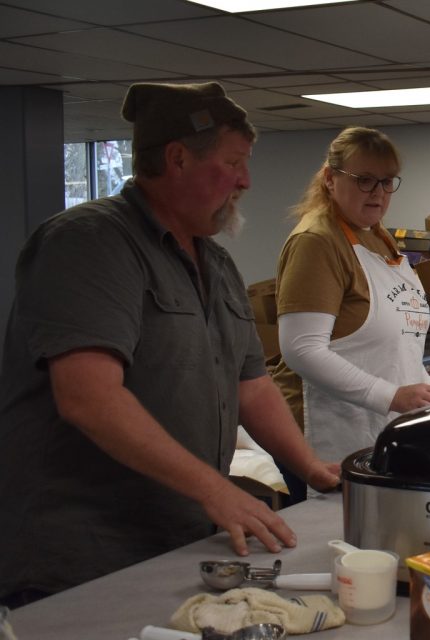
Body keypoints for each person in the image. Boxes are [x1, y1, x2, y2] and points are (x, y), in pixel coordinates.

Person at [0, 82, 340, 607]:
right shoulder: (90, 243)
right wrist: (214, 488)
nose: (246, 180)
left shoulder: (217, 264)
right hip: (82, 553)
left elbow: (250, 385)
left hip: (174, 537)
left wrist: (311, 467)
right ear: (177, 158)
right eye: (233, 163)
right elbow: (88, 396)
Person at [270, 127, 430, 499]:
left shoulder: (377, 235)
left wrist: (427, 393)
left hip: (379, 424)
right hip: (326, 433)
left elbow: (401, 337)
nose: (378, 192)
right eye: (364, 180)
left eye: (386, 181)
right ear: (330, 179)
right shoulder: (317, 242)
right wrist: (391, 395)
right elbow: (301, 350)